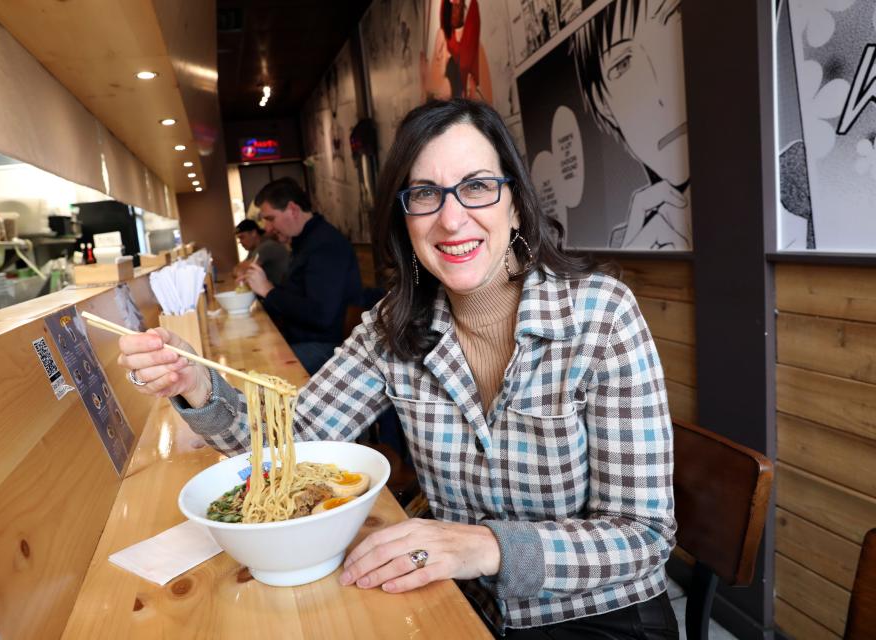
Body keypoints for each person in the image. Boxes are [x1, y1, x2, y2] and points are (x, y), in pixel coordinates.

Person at [117, 99, 677, 639]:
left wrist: (485, 546)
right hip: (461, 604)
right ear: (404, 217)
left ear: (515, 202)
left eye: (478, 187)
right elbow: (292, 443)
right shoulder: (395, 325)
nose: (452, 219)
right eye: (425, 194)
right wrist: (196, 386)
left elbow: (644, 536)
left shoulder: (601, 315)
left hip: (596, 614)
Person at [572, 0, 691, 250]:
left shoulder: (787, 202)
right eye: (623, 64)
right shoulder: (624, 244)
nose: (664, 95)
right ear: (602, 102)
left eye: (675, 19)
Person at [239, 178, 362, 375]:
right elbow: (295, 297)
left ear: (293, 209)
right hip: (303, 338)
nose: (267, 228)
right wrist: (262, 288)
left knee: (258, 371)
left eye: (270, 218)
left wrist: (268, 290)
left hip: (329, 347)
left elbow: (321, 316)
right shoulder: (304, 242)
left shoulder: (325, 245)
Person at [232, 218, 290, 285]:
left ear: (254, 233)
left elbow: (242, 271)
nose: (240, 242)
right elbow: (237, 272)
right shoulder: (254, 249)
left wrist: (240, 268)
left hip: (282, 292)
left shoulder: (267, 246)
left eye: (242, 237)